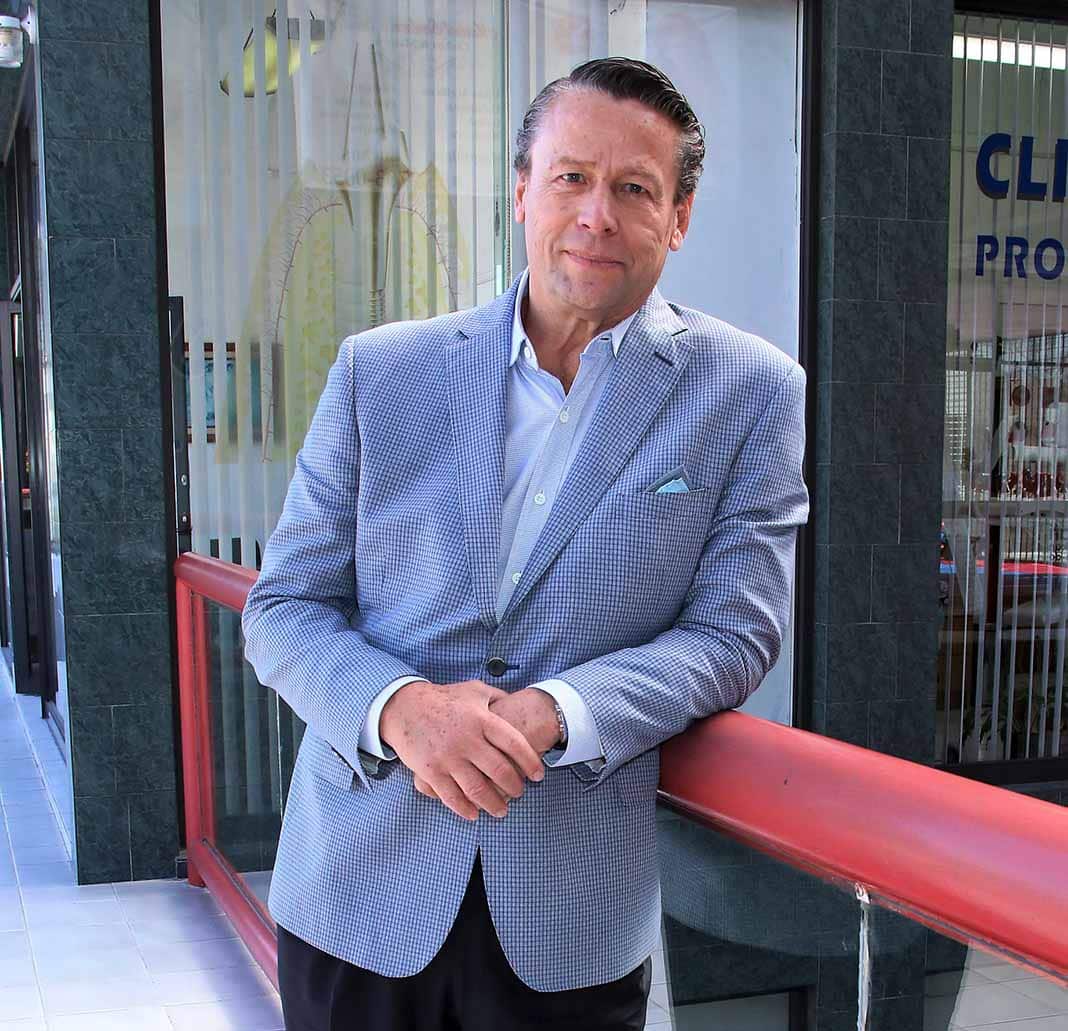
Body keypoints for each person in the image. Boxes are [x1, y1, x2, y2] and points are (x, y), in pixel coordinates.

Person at [242, 56, 809, 1031]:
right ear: (520, 192)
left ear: (679, 217)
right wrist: (401, 710)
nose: (597, 214)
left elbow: (735, 633)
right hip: (355, 896)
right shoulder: (381, 371)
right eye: (570, 177)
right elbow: (284, 606)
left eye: (635, 189)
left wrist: (559, 710)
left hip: (570, 915)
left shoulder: (751, 393)